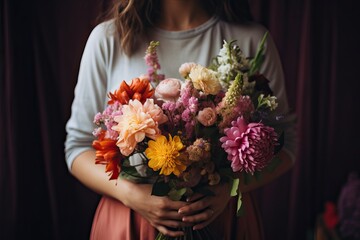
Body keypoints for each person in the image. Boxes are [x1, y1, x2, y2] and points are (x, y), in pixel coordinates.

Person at [65, 0, 297, 239]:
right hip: (129, 222)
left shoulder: (250, 40)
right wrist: (130, 194)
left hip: (221, 223)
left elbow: (285, 145)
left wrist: (229, 189)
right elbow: (78, 147)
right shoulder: (108, 39)